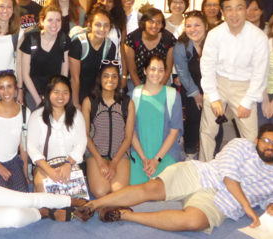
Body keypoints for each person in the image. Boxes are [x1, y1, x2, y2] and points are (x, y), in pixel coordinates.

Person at [78, 124, 273, 234]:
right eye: (265, 140)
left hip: (223, 202)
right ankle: (93, 205)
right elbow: (229, 177)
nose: (269, 146)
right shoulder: (241, 145)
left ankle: (125, 215)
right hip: (200, 174)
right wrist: (247, 206)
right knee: (151, 188)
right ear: (257, 140)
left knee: (193, 223)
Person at [199, 0, 269, 162]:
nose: (234, 13)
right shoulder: (215, 34)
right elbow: (207, 66)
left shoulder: (258, 37)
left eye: (239, 8)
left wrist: (248, 100)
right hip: (218, 83)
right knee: (207, 131)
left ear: (246, 9)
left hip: (245, 87)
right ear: (222, 12)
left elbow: (260, 73)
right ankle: (204, 170)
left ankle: (249, 171)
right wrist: (213, 97)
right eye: (229, 9)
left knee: (250, 135)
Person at [81, 64, 135, 199]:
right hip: (96, 154)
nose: (110, 80)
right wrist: (100, 162)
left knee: (119, 193)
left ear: (119, 80)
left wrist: (114, 163)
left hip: (120, 155)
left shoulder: (127, 103)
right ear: (100, 78)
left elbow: (128, 137)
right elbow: (85, 135)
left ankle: (103, 206)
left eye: (114, 76)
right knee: (101, 191)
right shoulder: (89, 102)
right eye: (106, 76)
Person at [129, 54, 183, 185]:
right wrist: (143, 158)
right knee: (135, 186)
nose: (156, 73)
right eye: (152, 69)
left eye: (161, 70)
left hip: (165, 154)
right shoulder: (134, 95)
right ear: (145, 70)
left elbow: (174, 132)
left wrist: (156, 160)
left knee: (160, 187)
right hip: (139, 154)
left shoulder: (173, 95)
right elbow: (131, 132)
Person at [27, 76, 87, 193]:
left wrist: (68, 164)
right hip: (44, 166)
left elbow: (81, 143)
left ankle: (56, 209)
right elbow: (31, 147)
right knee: (48, 196)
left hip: (69, 165)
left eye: (65, 92)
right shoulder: (36, 116)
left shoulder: (77, 115)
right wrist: (48, 169)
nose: (61, 96)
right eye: (56, 92)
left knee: (75, 199)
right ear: (48, 93)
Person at [0, 70, 31, 192]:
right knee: (2, 196)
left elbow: (23, 147)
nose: (6, 91)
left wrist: (25, 174)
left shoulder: (25, 112)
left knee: (22, 198)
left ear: (15, 89)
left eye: (9, 86)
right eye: (1, 87)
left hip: (13, 161)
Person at [19, 5, 70, 110]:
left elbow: (64, 73)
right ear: (42, 21)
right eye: (50, 20)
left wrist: (58, 94)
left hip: (55, 93)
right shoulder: (31, 40)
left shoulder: (64, 40)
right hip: (33, 92)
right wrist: (38, 100)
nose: (54, 24)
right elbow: (25, 74)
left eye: (58, 20)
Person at [174, 11, 209, 160]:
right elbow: (183, 72)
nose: (193, 29)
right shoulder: (182, 44)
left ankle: (210, 154)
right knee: (194, 119)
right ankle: (190, 153)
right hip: (191, 87)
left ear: (205, 26)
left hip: (214, 87)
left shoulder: (214, 42)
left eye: (197, 25)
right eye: (188, 26)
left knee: (214, 121)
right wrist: (196, 95)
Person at [68, 6, 117, 109]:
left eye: (106, 25)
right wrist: (76, 103)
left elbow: (107, 76)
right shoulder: (78, 44)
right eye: (98, 25)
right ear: (89, 25)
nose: (102, 29)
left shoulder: (110, 46)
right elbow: (74, 78)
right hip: (76, 91)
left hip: (96, 93)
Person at [124, 7, 176, 91]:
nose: (154, 26)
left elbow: (168, 68)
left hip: (162, 81)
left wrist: (158, 90)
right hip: (137, 81)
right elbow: (132, 70)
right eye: (151, 22)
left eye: (158, 22)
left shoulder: (168, 39)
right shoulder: (132, 38)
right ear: (144, 22)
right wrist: (141, 91)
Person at [87, 0, 127, 81]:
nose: (105, 3)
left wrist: (124, 74)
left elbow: (122, 49)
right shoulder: (90, 22)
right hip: (92, 70)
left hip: (113, 71)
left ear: (114, 4)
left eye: (109, 1)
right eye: (102, 0)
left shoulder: (120, 24)